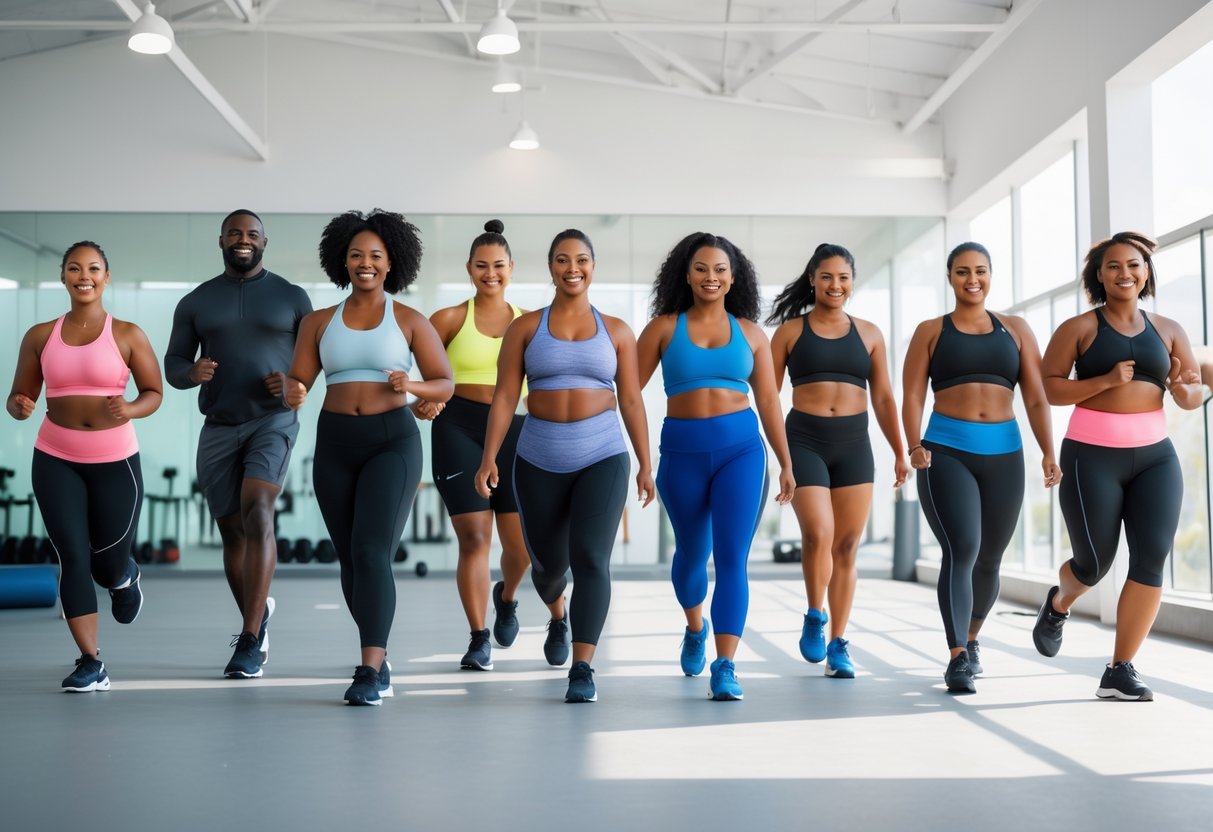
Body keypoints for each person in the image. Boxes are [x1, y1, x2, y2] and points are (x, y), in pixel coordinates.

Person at [474, 229, 655, 704]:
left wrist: (645, 464)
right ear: (550, 267)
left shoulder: (616, 330)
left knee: (592, 560)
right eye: (561, 260)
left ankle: (582, 667)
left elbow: (632, 401)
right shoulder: (526, 328)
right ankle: (557, 614)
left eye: (581, 259)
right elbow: (506, 396)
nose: (572, 268)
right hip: (538, 458)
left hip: (603, 456)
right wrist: (490, 456)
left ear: (593, 265)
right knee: (549, 568)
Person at [285, 209, 453, 706]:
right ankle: (377, 652)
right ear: (342, 260)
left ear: (391, 262)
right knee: (351, 559)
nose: (365, 263)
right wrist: (291, 393)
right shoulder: (318, 322)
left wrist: (413, 385)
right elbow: (299, 383)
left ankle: (370, 667)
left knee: (372, 550)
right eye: (356, 255)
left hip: (391, 442)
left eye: (376, 256)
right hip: (335, 442)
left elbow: (444, 381)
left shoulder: (408, 320)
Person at [1032, 232, 1202, 701]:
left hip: (1156, 458)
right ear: (1098, 275)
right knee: (1095, 562)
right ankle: (1059, 602)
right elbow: (1050, 389)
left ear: (1146, 272)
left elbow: (1188, 397)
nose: (1124, 273)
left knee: (1151, 559)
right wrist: (1105, 380)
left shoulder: (1168, 329)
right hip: (1092, 455)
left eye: (1134, 264)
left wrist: (1186, 387)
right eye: (1113, 266)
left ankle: (1120, 668)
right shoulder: (1079, 328)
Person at [636, 232, 794, 700]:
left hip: (741, 453)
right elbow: (625, 392)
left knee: (731, 559)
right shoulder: (663, 328)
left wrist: (785, 462)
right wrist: (641, 460)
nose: (711, 277)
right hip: (681, 456)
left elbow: (768, 399)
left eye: (720, 269)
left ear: (733, 277)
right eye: (702, 268)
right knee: (690, 555)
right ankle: (694, 626)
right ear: (686, 274)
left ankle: (725, 664)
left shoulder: (750, 333)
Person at [902, 241, 1060, 694]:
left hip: (1005, 454)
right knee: (963, 548)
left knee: (990, 557)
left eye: (981, 271)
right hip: (945, 451)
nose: (973, 279)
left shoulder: (1016, 329)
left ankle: (971, 641)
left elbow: (1034, 395)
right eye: (963, 272)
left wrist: (1048, 451)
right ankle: (955, 657)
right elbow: (913, 394)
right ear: (950, 277)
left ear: (991, 275)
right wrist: (912, 443)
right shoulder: (931, 330)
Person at [7, 241, 162, 691]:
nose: (84, 275)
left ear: (106, 277)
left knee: (105, 564)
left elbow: (153, 391)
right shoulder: (40, 335)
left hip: (116, 462)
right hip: (56, 458)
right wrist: (18, 406)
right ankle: (91, 661)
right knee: (72, 557)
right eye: (75, 268)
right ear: (63, 277)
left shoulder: (128, 334)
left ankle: (124, 575)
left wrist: (130, 409)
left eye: (93, 268)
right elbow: (21, 400)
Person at [164, 209, 312, 678]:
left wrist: (292, 382)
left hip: (273, 421)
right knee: (232, 532)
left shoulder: (292, 297)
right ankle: (257, 615)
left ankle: (249, 639)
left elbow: (316, 358)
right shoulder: (196, 301)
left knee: (258, 510)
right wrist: (193, 372)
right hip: (220, 426)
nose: (242, 239)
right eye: (234, 233)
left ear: (264, 242)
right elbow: (172, 364)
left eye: (251, 234)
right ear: (222, 241)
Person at [414, 219, 553, 671]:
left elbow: (540, 387)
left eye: (498, 265)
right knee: (475, 538)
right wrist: (424, 404)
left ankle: (507, 597)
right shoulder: (449, 320)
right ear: (469, 269)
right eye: (481, 266)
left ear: (511, 267)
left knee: (521, 549)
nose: (489, 273)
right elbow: (425, 381)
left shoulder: (529, 323)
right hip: (458, 428)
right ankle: (478, 638)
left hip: (516, 432)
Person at [767, 244, 909, 679]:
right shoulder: (789, 333)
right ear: (812, 279)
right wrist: (780, 459)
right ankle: (815, 613)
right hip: (804, 439)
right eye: (826, 276)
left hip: (853, 443)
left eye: (843, 277)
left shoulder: (869, 333)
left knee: (847, 546)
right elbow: (767, 399)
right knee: (819, 532)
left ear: (852, 281)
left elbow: (884, 396)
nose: (835, 285)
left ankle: (838, 643)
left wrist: (901, 450)